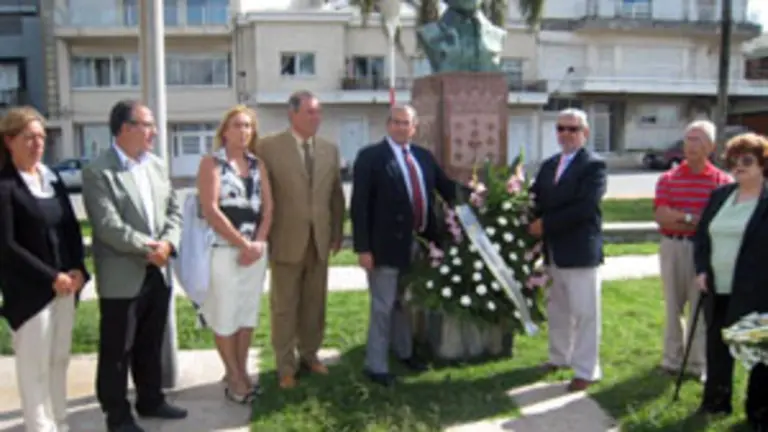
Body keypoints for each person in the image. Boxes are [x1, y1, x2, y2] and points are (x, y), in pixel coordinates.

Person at [82, 100, 186, 432]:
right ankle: (117, 415)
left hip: (157, 271)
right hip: (121, 276)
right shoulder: (98, 171)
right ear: (126, 129)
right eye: (147, 124)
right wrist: (150, 249)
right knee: (117, 349)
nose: (154, 131)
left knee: (150, 341)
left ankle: (151, 400)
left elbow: (174, 211)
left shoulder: (156, 165)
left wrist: (168, 244)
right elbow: (107, 226)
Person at [350, 104, 463, 386]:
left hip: (419, 244)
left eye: (407, 123)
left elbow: (447, 189)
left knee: (405, 303)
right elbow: (359, 206)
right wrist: (363, 248)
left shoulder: (423, 157)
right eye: (396, 122)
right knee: (383, 305)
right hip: (383, 247)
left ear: (415, 128)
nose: (402, 127)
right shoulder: (370, 157)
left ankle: (404, 352)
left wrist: (480, 196)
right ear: (388, 125)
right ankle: (375, 366)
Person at [0, 106, 89, 432]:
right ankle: (40, 427)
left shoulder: (51, 180)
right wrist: (52, 277)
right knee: (34, 368)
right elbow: (7, 246)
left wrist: (78, 269)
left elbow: (70, 229)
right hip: (30, 293)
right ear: (9, 141)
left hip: (65, 287)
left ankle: (60, 422)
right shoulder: (5, 187)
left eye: (41, 136)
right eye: (29, 137)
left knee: (59, 360)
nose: (38, 143)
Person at [255, 90, 345, 389]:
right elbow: (259, 194)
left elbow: (335, 196)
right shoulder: (267, 147)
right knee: (284, 306)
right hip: (285, 240)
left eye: (318, 112)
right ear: (292, 114)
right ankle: (285, 366)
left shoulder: (330, 149)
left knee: (314, 304)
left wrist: (336, 234)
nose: (316, 117)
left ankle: (310, 355)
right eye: (310, 112)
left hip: (319, 241)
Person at [196, 105, 273, 403]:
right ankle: (234, 375)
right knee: (226, 314)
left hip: (255, 252)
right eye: (238, 125)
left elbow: (269, 208)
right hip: (225, 251)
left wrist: (258, 244)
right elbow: (211, 210)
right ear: (225, 131)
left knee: (246, 314)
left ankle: (240, 369)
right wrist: (243, 244)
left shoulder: (258, 165)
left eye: (248, 126)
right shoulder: (211, 164)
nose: (243, 131)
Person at [527, 108, 606, 392]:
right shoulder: (549, 165)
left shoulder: (593, 166)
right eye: (561, 128)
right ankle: (559, 357)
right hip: (553, 252)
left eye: (573, 129)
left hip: (580, 252)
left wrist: (545, 224)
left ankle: (586, 369)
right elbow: (535, 198)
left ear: (585, 133)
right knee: (557, 309)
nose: (566, 134)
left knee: (585, 313)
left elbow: (585, 207)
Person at [693, 133, 768, 430]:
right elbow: (701, 238)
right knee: (717, 348)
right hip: (716, 288)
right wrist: (701, 270)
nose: (739, 166)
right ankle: (716, 401)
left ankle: (760, 413)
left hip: (757, 290)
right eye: (733, 161)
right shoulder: (720, 196)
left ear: (763, 163)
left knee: (757, 352)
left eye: (747, 160)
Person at [653, 120, 731, 381]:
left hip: (704, 252)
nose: (691, 145)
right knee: (673, 305)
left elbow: (718, 221)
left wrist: (684, 217)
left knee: (700, 306)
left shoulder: (722, 181)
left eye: (697, 139)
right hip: (672, 246)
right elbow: (662, 216)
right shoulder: (668, 178)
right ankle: (671, 360)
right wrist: (692, 218)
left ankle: (697, 363)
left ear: (710, 146)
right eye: (688, 139)